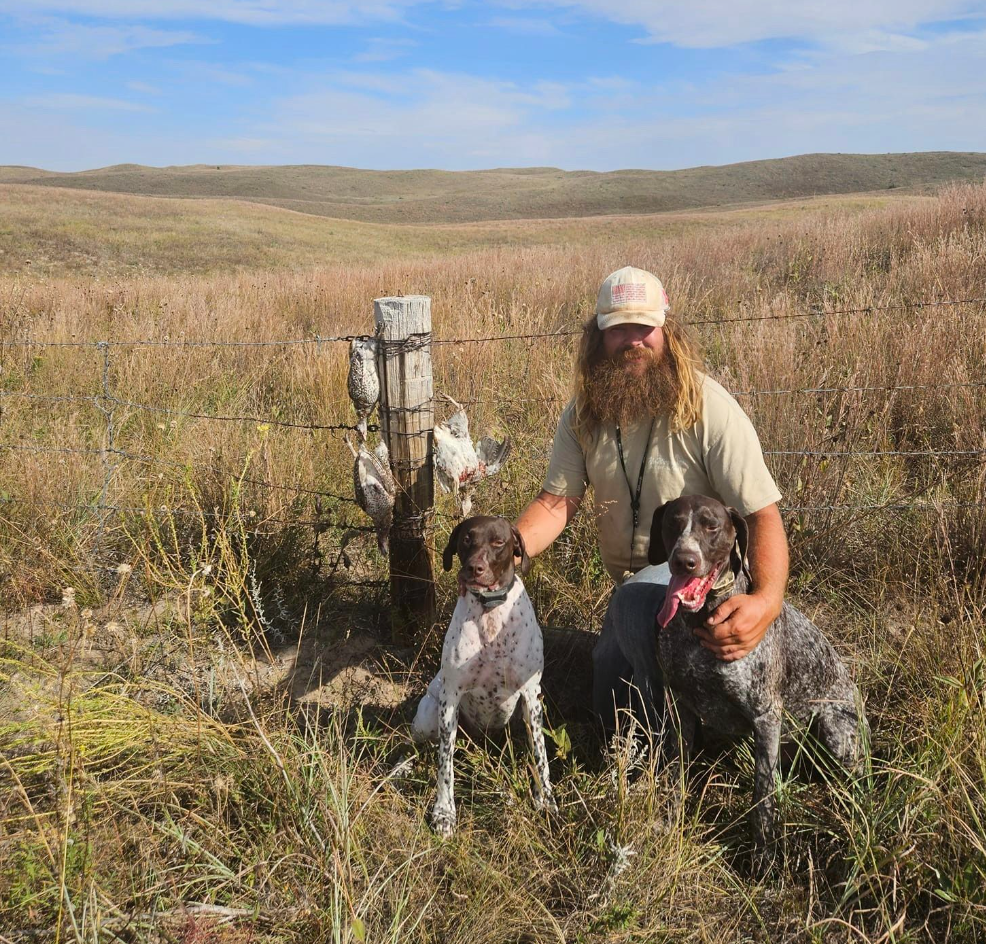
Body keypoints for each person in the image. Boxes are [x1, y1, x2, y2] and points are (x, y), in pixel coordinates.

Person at [514, 265, 789, 731]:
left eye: (644, 327)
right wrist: (505, 554)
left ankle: (663, 751)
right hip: (637, 590)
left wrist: (766, 602)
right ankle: (649, 743)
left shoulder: (708, 407)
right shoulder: (583, 414)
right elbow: (555, 504)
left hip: (703, 583)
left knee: (631, 618)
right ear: (596, 337)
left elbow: (762, 515)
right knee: (611, 695)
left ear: (667, 330)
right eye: (618, 328)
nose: (633, 340)